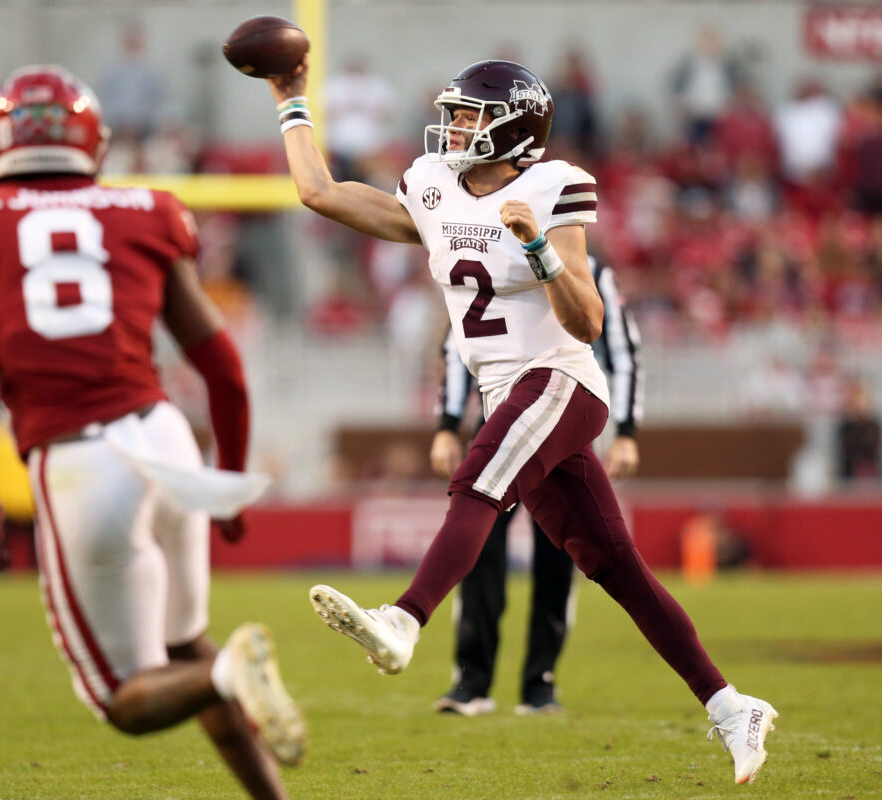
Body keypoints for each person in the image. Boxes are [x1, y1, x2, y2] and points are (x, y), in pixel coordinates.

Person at [263, 56, 778, 784]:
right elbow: (318, 192)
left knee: (476, 482)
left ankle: (403, 621)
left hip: (561, 381)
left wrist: (536, 247)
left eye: (470, 115)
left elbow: (588, 319)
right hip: (507, 392)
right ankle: (732, 706)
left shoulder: (553, 186)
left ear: (513, 127)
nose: (455, 126)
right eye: (456, 113)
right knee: (615, 567)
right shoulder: (432, 187)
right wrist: (291, 101)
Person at [0, 66, 304, 799]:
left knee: (125, 699)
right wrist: (229, 482)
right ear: (93, 140)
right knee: (185, 643)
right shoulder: (148, 208)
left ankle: (231, 672)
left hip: (81, 462)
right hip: (166, 442)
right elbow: (223, 368)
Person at [429, 256, 643, 717]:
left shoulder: (594, 269)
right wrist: (447, 422)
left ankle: (540, 682)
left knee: (559, 555)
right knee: (479, 547)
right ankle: (472, 680)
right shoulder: (488, 250)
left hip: (560, 422)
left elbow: (624, 351)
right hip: (500, 419)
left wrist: (627, 430)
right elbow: (456, 343)